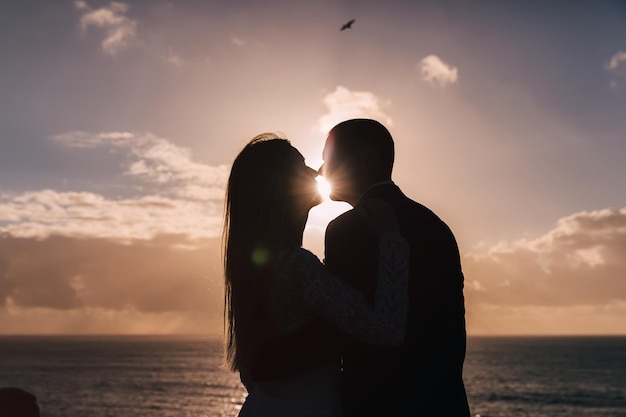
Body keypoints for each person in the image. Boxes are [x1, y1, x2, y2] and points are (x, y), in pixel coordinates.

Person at [223, 133, 410, 416]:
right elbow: (387, 330)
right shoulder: (296, 266)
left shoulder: (255, 269)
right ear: (278, 187)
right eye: (301, 167)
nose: (314, 172)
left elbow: (252, 372)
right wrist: (392, 241)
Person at [319, 118, 470, 417]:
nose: (322, 170)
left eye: (329, 159)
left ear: (364, 157)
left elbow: (345, 330)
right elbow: (454, 330)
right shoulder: (436, 226)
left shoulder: (345, 230)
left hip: (380, 403)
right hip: (444, 402)